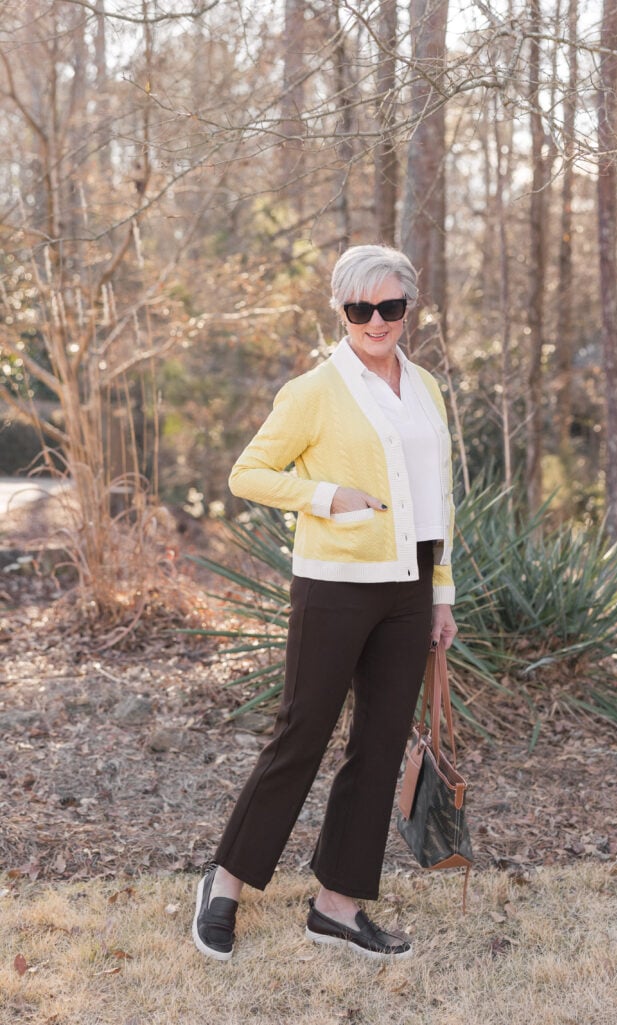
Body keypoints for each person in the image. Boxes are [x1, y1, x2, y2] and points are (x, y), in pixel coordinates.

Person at [192, 244, 457, 962]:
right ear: (341, 311)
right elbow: (250, 473)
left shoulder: (427, 387)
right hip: (334, 588)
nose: (377, 320)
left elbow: (441, 497)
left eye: (390, 306)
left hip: (409, 589)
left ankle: (337, 906)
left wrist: (441, 593)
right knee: (300, 734)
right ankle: (225, 883)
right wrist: (326, 496)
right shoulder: (314, 390)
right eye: (360, 308)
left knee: (377, 746)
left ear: (408, 308)